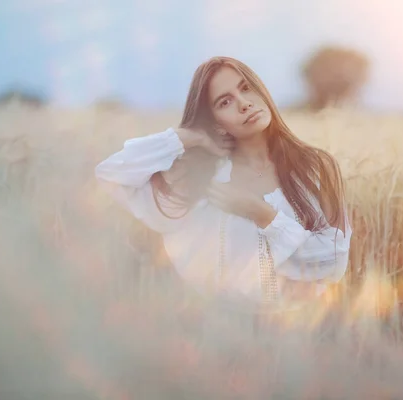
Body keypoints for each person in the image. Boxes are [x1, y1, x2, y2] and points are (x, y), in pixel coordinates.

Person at [94, 56, 351, 317]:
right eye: (225, 102)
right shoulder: (203, 181)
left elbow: (333, 263)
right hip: (223, 337)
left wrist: (262, 214)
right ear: (214, 119)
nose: (244, 104)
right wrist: (186, 136)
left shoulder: (315, 166)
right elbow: (111, 173)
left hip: (300, 336)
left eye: (246, 88)